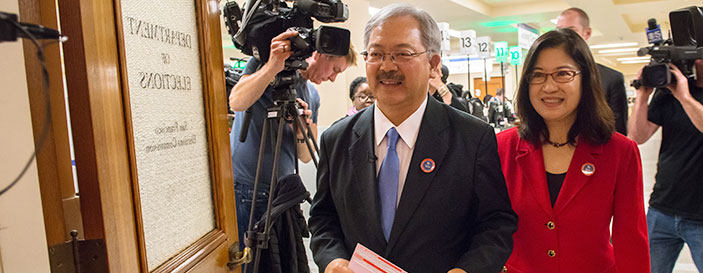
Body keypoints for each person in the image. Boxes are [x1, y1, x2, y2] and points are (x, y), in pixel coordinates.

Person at [309, 4, 518, 273]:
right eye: (376, 54)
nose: (386, 66)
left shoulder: (472, 138)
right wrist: (333, 261)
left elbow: (496, 223)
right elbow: (324, 218)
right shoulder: (337, 138)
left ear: (433, 64)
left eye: (402, 54)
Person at [496, 28, 650, 272]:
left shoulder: (620, 152)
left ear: (585, 79)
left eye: (563, 74)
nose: (548, 87)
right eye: (538, 75)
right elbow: (485, 228)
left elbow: (631, 241)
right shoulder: (502, 147)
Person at [228, 29, 357, 249]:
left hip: (284, 195)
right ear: (321, 55)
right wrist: (271, 67)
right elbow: (237, 102)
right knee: (250, 263)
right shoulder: (264, 64)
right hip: (248, 189)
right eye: (335, 70)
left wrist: (301, 131)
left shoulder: (312, 96)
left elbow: (306, 156)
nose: (333, 78)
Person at [629, 59, 703, 273]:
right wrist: (642, 94)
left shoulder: (681, 94)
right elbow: (637, 136)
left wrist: (684, 97)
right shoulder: (667, 94)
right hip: (662, 209)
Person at [556, 7, 628, 135]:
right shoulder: (550, 77)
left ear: (587, 33)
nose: (564, 37)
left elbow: (619, 131)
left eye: (571, 31)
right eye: (559, 31)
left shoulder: (611, 78)